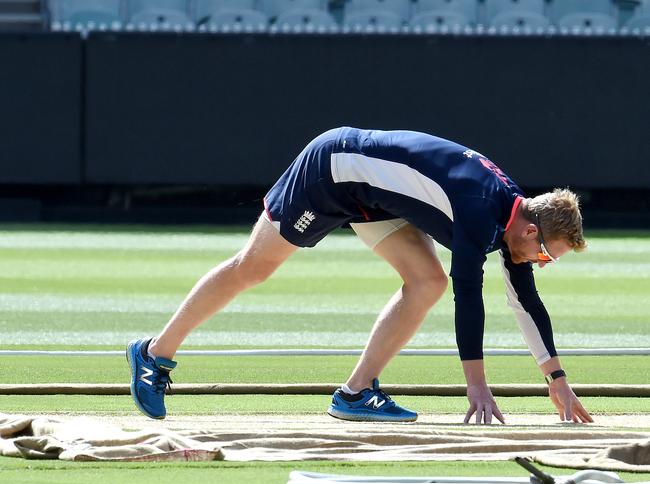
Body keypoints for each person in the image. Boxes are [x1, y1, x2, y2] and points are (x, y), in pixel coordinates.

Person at [126, 126, 594, 425]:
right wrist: (476, 385)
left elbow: (525, 301)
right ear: (532, 230)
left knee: (427, 281)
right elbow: (469, 297)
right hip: (332, 172)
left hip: (374, 198)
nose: (539, 264)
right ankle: (152, 354)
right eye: (545, 256)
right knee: (254, 268)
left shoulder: (515, 219)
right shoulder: (479, 210)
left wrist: (556, 378)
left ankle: (354, 393)